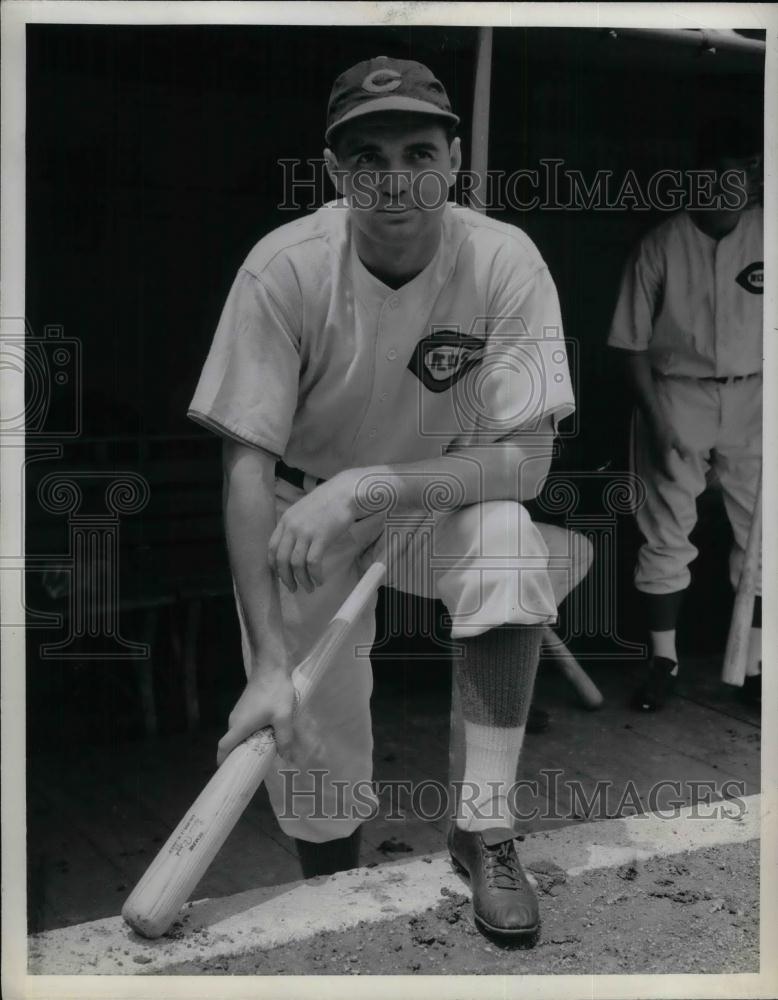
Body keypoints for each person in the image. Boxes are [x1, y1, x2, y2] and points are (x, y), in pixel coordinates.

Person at [188, 56, 587, 941]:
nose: (395, 178)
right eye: (368, 157)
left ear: (453, 160)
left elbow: (526, 458)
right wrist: (262, 667)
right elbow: (246, 472)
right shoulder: (284, 268)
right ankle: (335, 893)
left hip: (430, 500)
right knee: (312, 738)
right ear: (337, 171)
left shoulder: (503, 258)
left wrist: (379, 485)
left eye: (418, 150)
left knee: (512, 544)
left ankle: (484, 827)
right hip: (306, 513)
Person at [608, 117, 763, 712]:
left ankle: (753, 667)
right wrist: (658, 420)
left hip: (755, 391)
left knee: (763, 535)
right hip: (678, 391)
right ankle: (664, 662)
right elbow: (631, 346)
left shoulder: (767, 233)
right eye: (715, 176)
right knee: (667, 530)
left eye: (740, 174)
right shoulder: (661, 243)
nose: (728, 186)